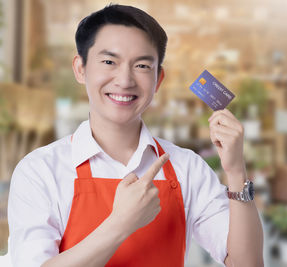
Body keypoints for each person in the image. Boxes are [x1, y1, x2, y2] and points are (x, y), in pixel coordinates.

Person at [8, 4, 263, 267]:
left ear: (158, 79)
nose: (125, 80)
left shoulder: (187, 168)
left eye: (141, 65)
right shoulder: (40, 171)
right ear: (80, 68)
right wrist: (120, 224)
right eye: (109, 62)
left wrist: (235, 172)